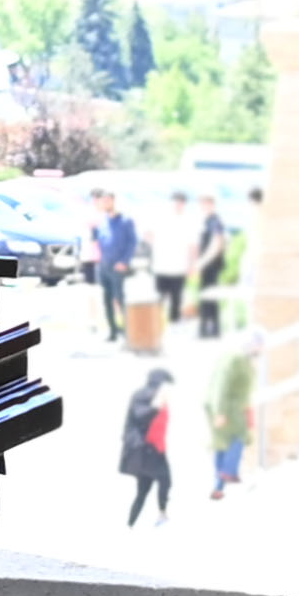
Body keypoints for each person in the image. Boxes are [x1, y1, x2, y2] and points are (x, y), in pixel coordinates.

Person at [119, 366, 175, 525]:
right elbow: (140, 415)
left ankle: (131, 523)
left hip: (153, 449)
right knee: (165, 480)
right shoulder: (146, 394)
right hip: (148, 450)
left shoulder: (154, 395)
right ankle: (161, 516)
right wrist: (156, 405)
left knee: (143, 490)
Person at [86, 185, 139, 335]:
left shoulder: (125, 220)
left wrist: (124, 261)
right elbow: (97, 240)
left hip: (119, 265)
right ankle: (113, 331)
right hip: (104, 265)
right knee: (107, 300)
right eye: (103, 201)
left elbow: (132, 242)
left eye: (108, 200)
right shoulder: (103, 221)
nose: (105, 204)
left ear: (113, 201)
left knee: (120, 299)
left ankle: (129, 331)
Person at [209, 339, 255, 494]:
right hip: (230, 408)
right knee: (236, 439)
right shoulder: (235, 361)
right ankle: (226, 475)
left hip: (232, 407)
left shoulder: (242, 362)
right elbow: (222, 385)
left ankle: (219, 486)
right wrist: (220, 411)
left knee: (225, 443)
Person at [189, 193, 234, 338]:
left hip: (211, 266)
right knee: (206, 297)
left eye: (206, 203)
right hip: (206, 266)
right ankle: (208, 328)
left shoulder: (215, 221)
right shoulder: (207, 221)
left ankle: (211, 329)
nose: (204, 206)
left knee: (210, 297)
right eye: (202, 203)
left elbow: (217, 243)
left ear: (212, 204)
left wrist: (202, 262)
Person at [152, 189, 195, 328]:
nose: (177, 205)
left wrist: (191, 265)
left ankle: (174, 326)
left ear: (184, 204)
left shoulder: (189, 221)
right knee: (159, 298)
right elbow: (150, 236)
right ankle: (156, 326)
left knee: (176, 299)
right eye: (175, 202)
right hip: (161, 266)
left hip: (179, 267)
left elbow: (192, 246)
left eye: (180, 202)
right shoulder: (161, 219)